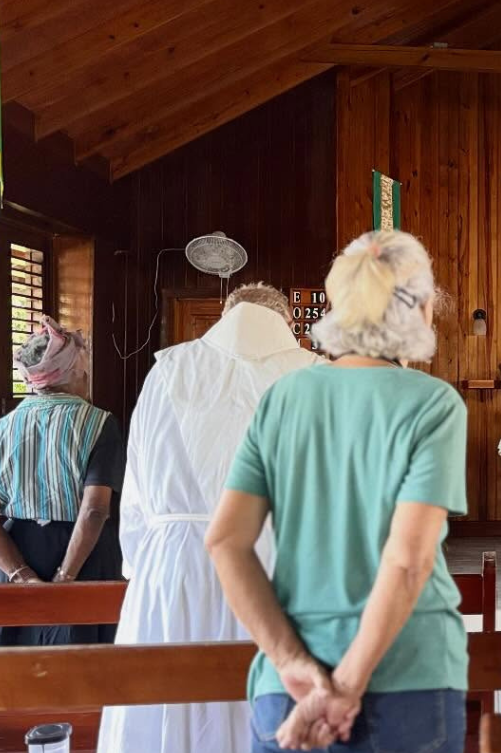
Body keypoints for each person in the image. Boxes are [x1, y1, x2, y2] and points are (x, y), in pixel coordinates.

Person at [206, 230, 468, 752]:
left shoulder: (285, 398)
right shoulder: (433, 404)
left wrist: (291, 662)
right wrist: (347, 686)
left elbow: (226, 543)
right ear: (418, 312)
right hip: (409, 676)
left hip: (290, 685)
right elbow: (407, 562)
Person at [97, 284, 323, 753]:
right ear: (284, 320)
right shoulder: (317, 376)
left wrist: (145, 573)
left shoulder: (167, 371)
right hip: (280, 568)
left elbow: (135, 499)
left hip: (174, 571)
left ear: (226, 316)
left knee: (171, 710)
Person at [0, 316, 124, 645]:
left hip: (17, 551)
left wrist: (21, 575)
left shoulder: (5, 426)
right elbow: (95, 510)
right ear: (73, 369)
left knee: (18, 670)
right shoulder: (99, 423)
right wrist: (65, 579)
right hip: (86, 554)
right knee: (84, 673)